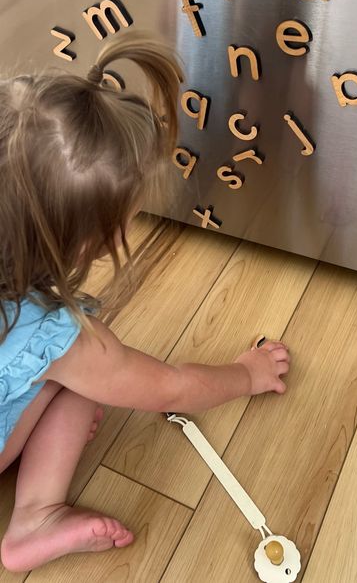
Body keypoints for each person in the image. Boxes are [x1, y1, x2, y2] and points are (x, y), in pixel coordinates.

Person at [0, 31, 291, 573]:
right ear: (88, 243)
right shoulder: (60, 339)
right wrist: (246, 374)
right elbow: (171, 387)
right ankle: (35, 517)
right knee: (81, 384)